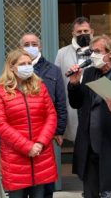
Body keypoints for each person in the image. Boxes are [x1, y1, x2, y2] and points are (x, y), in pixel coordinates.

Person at [67, 35, 111, 198]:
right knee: (90, 192)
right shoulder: (90, 73)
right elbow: (77, 103)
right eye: (91, 51)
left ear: (110, 54)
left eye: (97, 51)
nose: (93, 55)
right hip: (89, 145)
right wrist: (74, 84)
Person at [0, 49, 57, 198]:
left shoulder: (40, 87)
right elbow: (0, 124)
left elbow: (51, 116)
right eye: (22, 64)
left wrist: (40, 143)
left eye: (29, 63)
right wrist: (27, 147)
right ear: (12, 67)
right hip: (15, 158)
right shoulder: (0, 92)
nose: (27, 66)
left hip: (41, 154)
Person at [19, 33, 67, 197]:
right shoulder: (14, 71)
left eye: (34, 44)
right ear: (20, 48)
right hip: (21, 134)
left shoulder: (53, 70)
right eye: (26, 44)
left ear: (40, 47)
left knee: (45, 182)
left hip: (45, 132)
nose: (30, 47)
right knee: (23, 180)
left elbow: (60, 102)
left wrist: (59, 130)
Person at [55, 17, 94, 142]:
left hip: (95, 104)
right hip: (72, 106)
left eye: (85, 31)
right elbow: (58, 83)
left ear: (92, 32)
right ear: (73, 33)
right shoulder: (61, 53)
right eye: (79, 32)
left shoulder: (100, 51)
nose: (83, 34)